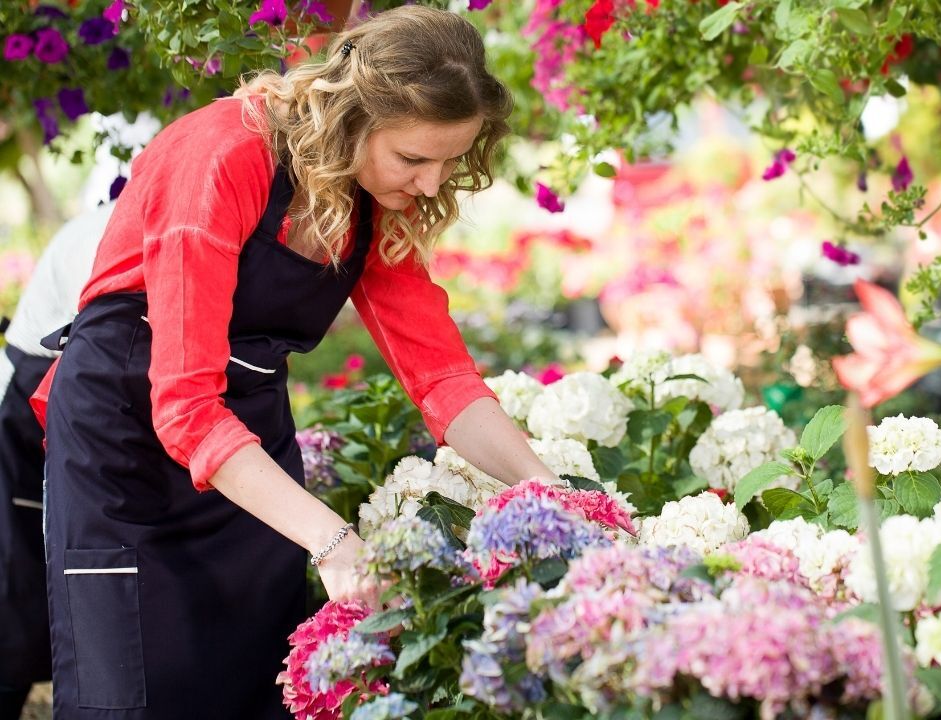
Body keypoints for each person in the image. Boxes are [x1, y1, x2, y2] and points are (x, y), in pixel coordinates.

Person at [32, 7, 559, 717]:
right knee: (136, 690)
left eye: (449, 162)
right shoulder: (222, 156)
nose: (434, 186)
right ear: (355, 118)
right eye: (414, 159)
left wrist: (549, 488)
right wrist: (333, 540)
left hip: (246, 438)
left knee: (262, 675)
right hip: (126, 438)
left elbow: (440, 378)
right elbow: (184, 406)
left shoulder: (374, 194)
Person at [0, 202, 114, 720]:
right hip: (19, 418)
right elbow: (96, 359)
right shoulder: (99, 234)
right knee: (11, 594)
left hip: (63, 408)